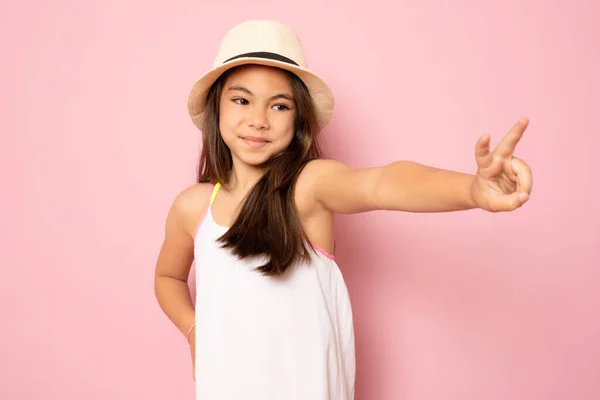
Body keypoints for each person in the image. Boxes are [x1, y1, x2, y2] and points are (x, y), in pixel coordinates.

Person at [154, 20, 533, 400]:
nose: (259, 119)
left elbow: (382, 183)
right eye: (241, 99)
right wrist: (193, 330)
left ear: (299, 118)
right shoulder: (193, 207)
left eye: (280, 105)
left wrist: (471, 188)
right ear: (215, 108)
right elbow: (168, 278)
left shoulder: (308, 187)